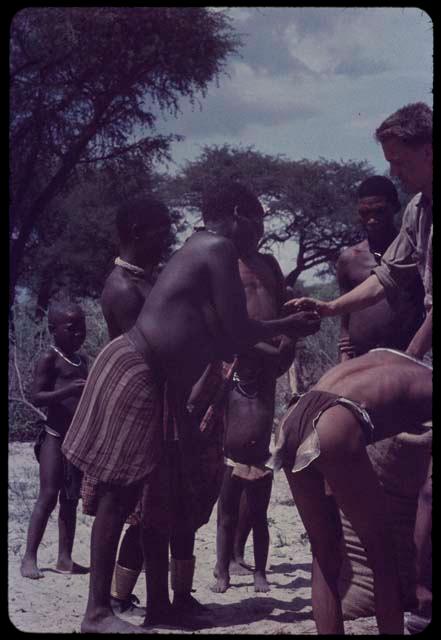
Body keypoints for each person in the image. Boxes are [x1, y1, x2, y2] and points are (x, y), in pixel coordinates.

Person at [61, 181, 321, 634]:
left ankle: (162, 606)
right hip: (138, 372)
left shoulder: (201, 251)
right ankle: (96, 612)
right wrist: (286, 325)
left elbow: (221, 336)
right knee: (119, 495)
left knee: (160, 496)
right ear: (239, 214)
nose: (258, 235)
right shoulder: (216, 247)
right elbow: (238, 331)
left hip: (159, 382)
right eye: (258, 223)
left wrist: (278, 334)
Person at [286, 102, 433, 629]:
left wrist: (404, 361)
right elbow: (390, 278)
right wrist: (328, 309)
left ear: (428, 150)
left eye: (400, 160)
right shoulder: (418, 212)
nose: (395, 170)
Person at [270, 348, 432, 634]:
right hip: (335, 423)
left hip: (294, 418)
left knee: (324, 553)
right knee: (384, 555)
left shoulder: (387, 358)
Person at [212, 208, 297, 594]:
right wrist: (265, 350)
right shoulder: (225, 264)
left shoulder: (270, 265)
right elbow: (229, 328)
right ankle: (225, 558)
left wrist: (287, 347)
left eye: (262, 224)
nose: (257, 231)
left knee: (257, 459)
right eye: (251, 223)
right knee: (233, 458)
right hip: (239, 365)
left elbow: (284, 309)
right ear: (235, 223)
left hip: (269, 370)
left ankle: (242, 554)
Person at [99, 196, 171, 616]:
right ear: (139, 233)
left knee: (156, 505)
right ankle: (104, 606)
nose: (166, 238)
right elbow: (147, 351)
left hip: (155, 398)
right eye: (161, 230)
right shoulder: (123, 288)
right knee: (123, 505)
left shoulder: (145, 279)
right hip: (134, 401)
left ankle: (159, 602)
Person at [20, 301, 89, 580]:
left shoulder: (83, 360)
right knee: (48, 496)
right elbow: (36, 396)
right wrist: (68, 390)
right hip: (54, 437)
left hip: (75, 440)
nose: (78, 334)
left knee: (70, 500)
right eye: (72, 329)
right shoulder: (50, 358)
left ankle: (64, 558)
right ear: (53, 330)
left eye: (81, 328)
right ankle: (29, 557)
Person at [336, 175, 424, 361]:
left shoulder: (416, 254)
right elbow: (346, 314)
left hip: (406, 356)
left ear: (395, 208)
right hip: (359, 358)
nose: (372, 220)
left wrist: (415, 352)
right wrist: (344, 354)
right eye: (365, 213)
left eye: (379, 211)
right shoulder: (349, 259)